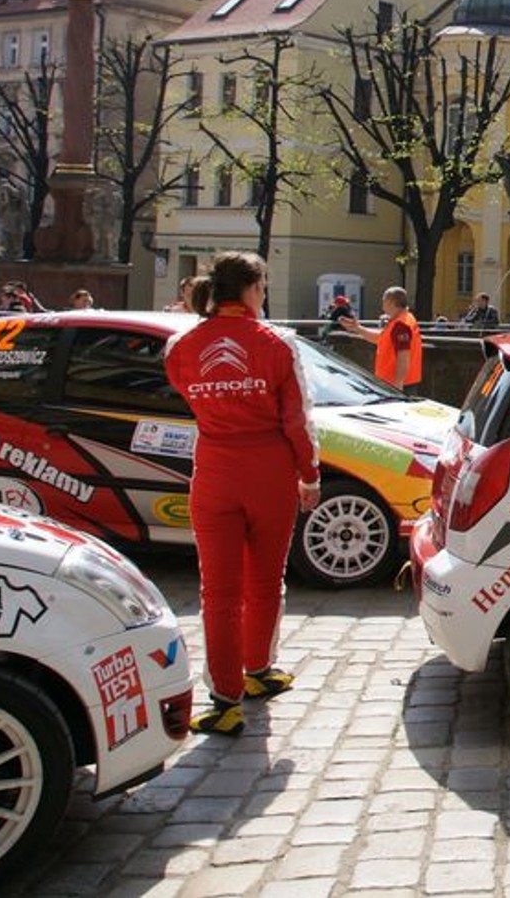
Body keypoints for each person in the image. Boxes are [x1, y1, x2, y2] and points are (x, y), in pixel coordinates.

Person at [163, 252, 319, 736]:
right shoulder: (277, 345)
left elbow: (184, 391)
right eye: (263, 286)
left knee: (218, 591)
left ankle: (224, 697)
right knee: (265, 580)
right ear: (253, 290)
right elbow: (298, 420)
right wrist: (309, 476)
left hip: (213, 469)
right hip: (268, 471)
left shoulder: (181, 346)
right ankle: (257, 669)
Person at [340, 286, 424, 391]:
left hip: (397, 385)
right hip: (397, 383)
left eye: (383, 302)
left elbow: (403, 356)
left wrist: (398, 384)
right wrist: (358, 328)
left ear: (390, 303)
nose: (382, 307)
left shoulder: (400, 325)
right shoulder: (402, 319)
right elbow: (382, 338)